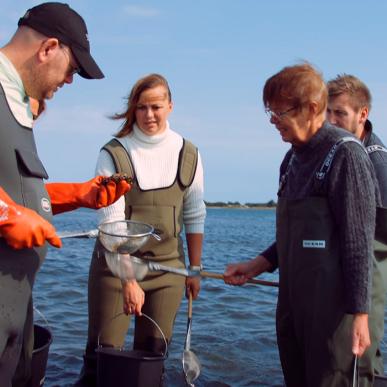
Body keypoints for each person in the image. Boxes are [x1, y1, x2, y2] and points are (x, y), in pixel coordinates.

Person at [224, 63, 381, 386]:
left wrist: (360, 316)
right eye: (270, 111)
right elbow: (295, 236)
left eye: (279, 112)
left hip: (336, 316)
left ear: (311, 109)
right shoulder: (291, 159)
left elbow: (358, 243)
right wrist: (256, 265)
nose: (272, 121)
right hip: (293, 306)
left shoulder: (346, 155)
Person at [0, 3, 130, 386]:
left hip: (14, 316)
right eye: (72, 69)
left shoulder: (19, 103)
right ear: (48, 48)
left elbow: (19, 190)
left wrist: (80, 195)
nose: (70, 81)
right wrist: (4, 216)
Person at [76, 73, 206, 386]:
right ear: (133, 110)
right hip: (115, 270)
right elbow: (111, 224)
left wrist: (195, 268)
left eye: (156, 107)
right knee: (103, 358)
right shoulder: (114, 153)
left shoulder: (188, 153)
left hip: (167, 270)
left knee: (151, 360)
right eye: (142, 108)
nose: (149, 115)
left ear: (170, 107)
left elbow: (194, 213)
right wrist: (128, 279)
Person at [327, 74, 387, 375]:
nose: (331, 120)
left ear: (363, 114)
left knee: (361, 364)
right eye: (327, 112)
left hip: (369, 278)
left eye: (340, 112)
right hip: (341, 275)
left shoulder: (376, 161)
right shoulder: (338, 151)